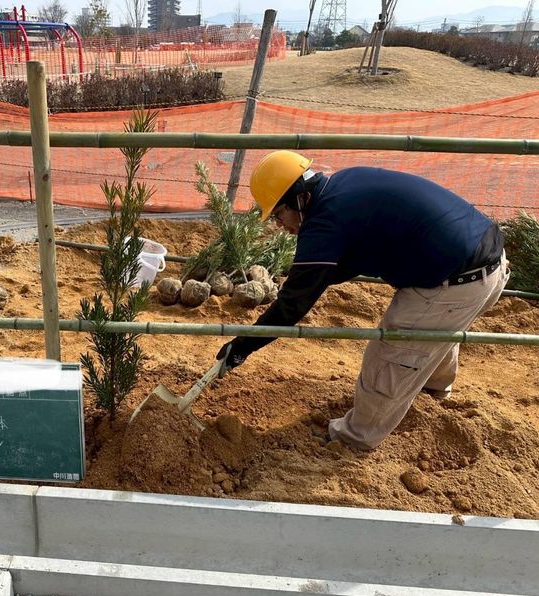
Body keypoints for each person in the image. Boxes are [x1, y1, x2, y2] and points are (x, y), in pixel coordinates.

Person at [217, 150, 509, 450]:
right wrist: (307, 278)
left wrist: (242, 346)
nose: (280, 225)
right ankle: (432, 390)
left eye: (279, 214)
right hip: (489, 263)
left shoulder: (323, 222)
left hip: (457, 284)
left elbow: (291, 307)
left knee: (389, 355)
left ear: (300, 199)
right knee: (433, 331)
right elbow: (348, 259)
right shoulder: (344, 183)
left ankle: (354, 439)